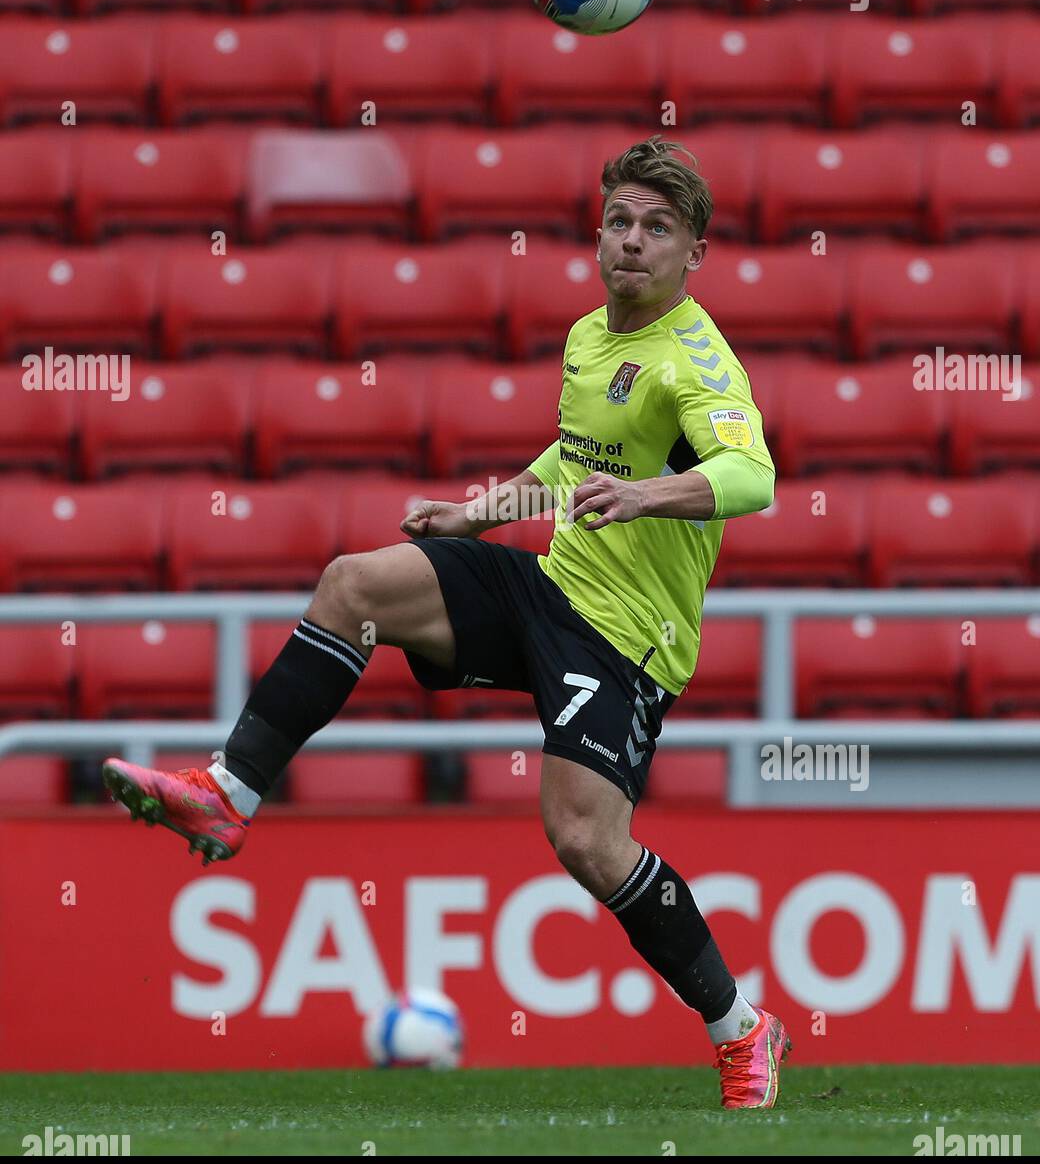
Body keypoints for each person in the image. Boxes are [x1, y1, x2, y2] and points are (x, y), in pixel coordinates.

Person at [104, 135, 789, 1108]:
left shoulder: (694, 361)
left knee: (586, 842)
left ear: (692, 255)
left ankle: (740, 1029)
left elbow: (751, 475)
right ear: (598, 233)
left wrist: (654, 495)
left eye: (658, 229)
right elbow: (570, 456)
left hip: (625, 637)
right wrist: (480, 512)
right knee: (352, 584)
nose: (632, 243)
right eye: (620, 222)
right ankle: (228, 792)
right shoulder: (591, 337)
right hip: (549, 585)